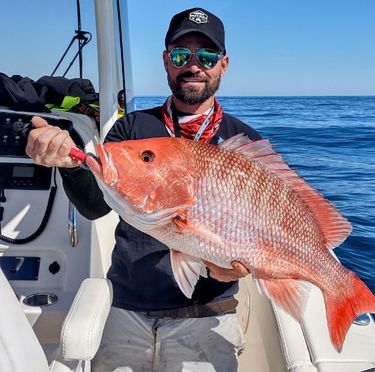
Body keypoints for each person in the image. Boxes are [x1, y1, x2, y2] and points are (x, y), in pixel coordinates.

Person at [26, 7, 262, 372]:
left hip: (207, 311)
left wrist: (234, 268)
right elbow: (94, 208)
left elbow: (258, 237)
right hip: (127, 305)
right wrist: (72, 167)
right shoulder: (132, 129)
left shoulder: (243, 142)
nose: (194, 65)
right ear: (167, 62)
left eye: (208, 56)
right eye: (182, 55)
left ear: (223, 65)